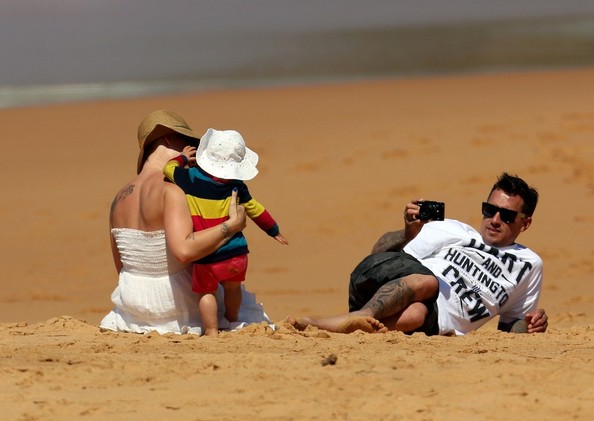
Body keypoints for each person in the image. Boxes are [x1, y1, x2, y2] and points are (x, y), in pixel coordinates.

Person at [289, 173, 549, 336]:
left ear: (524, 223)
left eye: (506, 215)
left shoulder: (529, 265)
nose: (494, 219)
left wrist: (531, 325)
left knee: (415, 316)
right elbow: (377, 258)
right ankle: (358, 317)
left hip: (434, 319)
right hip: (387, 286)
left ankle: (336, 327)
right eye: (489, 209)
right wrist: (406, 233)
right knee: (428, 281)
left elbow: (510, 328)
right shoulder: (455, 230)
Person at [100, 110, 272, 335]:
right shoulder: (172, 190)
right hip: (174, 303)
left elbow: (121, 267)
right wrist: (231, 226)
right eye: (190, 142)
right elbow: (183, 251)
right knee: (242, 306)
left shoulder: (119, 197)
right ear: (168, 139)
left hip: (132, 303)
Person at [163, 128, 288, 336]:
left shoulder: (189, 179)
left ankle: (211, 330)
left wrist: (183, 158)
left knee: (206, 292)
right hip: (235, 252)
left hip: (208, 253)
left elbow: (168, 169)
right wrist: (273, 230)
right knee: (233, 288)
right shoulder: (237, 186)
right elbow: (256, 209)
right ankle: (232, 321)